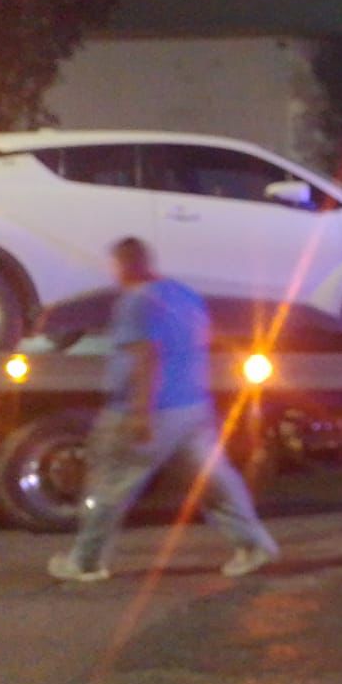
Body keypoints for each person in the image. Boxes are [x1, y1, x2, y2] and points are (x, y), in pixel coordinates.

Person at [49, 238, 279, 582]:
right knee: (214, 481)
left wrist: (140, 413)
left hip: (149, 411)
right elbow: (202, 340)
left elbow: (146, 356)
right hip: (193, 407)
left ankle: (85, 562)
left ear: (123, 265)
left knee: (109, 486)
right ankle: (254, 545)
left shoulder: (135, 303)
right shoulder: (184, 295)